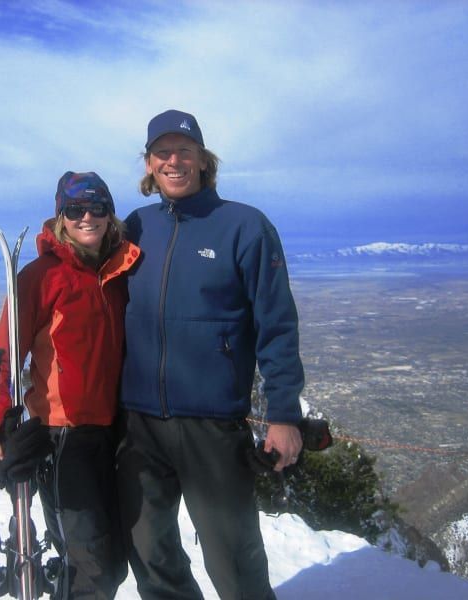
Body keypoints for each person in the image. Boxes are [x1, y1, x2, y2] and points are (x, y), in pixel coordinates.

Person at [117, 109, 305, 600]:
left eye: (184, 151)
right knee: (149, 548)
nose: (173, 161)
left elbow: (277, 324)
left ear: (203, 159)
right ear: (150, 163)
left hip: (212, 424)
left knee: (233, 553)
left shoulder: (243, 226)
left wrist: (284, 415)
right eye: (163, 152)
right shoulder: (136, 227)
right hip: (139, 421)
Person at [0, 171, 139, 599]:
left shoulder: (118, 273)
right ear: (61, 217)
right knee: (94, 566)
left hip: (113, 434)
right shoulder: (41, 276)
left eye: (97, 208)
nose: (87, 217)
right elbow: (4, 354)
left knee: (113, 563)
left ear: (110, 213)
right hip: (63, 439)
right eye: (75, 209)